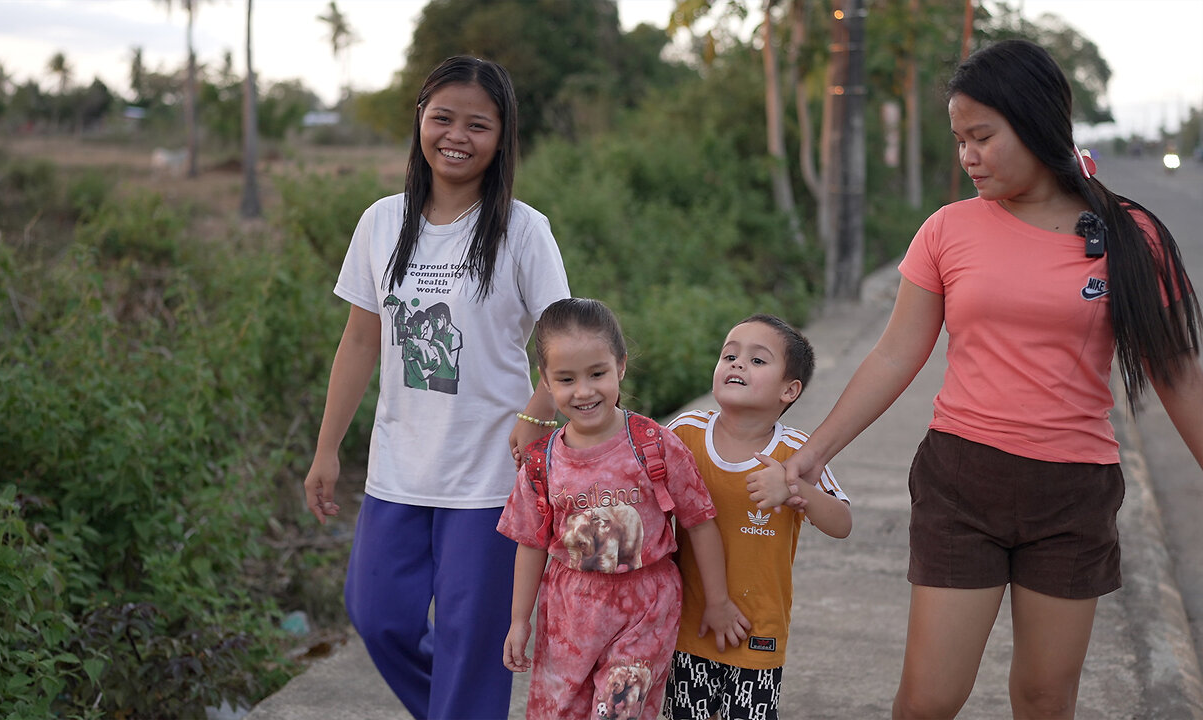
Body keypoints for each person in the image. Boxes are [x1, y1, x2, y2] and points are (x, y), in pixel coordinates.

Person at [765, 39, 1203, 719]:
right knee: (929, 699)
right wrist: (815, 451)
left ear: (1036, 124)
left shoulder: (1129, 236)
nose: (967, 155)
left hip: (1074, 494)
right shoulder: (948, 230)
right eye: (958, 138)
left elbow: (1178, 375)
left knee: (1042, 699)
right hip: (962, 483)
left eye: (982, 136)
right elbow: (892, 355)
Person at [302, 55, 570, 719]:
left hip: (488, 480)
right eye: (442, 117)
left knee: (470, 642)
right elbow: (362, 341)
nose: (457, 135)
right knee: (378, 615)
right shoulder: (381, 223)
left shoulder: (523, 231)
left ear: (502, 138)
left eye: (478, 124)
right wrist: (328, 448)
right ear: (419, 119)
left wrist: (533, 423)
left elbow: (567, 350)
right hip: (399, 467)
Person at [497, 298, 750, 720]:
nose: (584, 391)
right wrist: (519, 620)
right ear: (545, 380)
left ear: (621, 366)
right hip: (567, 615)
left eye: (598, 373)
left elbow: (700, 522)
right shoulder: (542, 464)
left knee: (619, 712)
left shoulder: (654, 445)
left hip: (645, 609)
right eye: (566, 378)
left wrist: (718, 601)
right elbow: (531, 544)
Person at [664, 314, 852, 720]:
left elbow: (842, 523)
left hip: (758, 630)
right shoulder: (684, 433)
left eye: (757, 360)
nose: (736, 364)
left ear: (790, 389)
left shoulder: (796, 452)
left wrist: (796, 490)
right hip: (687, 626)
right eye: (729, 354)